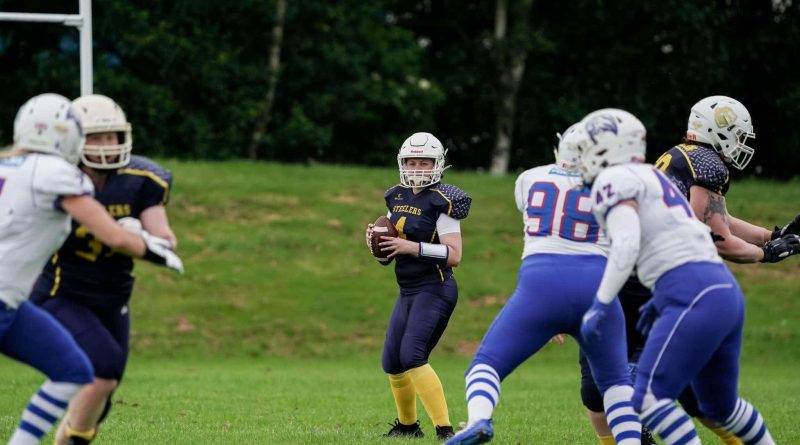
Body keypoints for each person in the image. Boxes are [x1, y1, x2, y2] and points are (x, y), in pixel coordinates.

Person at [582, 95, 800, 445]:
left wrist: (770, 236)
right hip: (680, 281)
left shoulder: (681, 157)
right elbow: (718, 236)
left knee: (644, 385)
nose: (742, 143)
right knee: (703, 397)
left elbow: (717, 223)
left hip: (662, 277)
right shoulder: (705, 163)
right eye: (738, 133)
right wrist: (766, 253)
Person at [0, 93, 182, 445]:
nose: (105, 146)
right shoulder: (57, 174)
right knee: (92, 370)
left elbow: (160, 233)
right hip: (56, 291)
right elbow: (113, 236)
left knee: (85, 374)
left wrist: (151, 238)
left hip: (74, 297)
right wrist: (147, 246)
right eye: (95, 136)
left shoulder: (11, 166)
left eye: (110, 136)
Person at [445, 125, 641, 445]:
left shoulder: (529, 179)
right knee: (617, 384)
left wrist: (555, 314)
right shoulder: (616, 186)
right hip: (596, 285)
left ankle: (479, 419)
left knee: (486, 365)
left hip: (541, 285)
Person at [365, 132, 470, 440]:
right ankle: (408, 426)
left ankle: (445, 431)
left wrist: (415, 248)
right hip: (408, 289)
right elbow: (389, 250)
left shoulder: (443, 201)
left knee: (412, 355)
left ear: (437, 164)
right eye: (413, 161)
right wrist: (375, 244)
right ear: (403, 162)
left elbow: (455, 255)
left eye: (425, 162)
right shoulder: (395, 196)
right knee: (392, 361)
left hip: (435, 288)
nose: (418, 168)